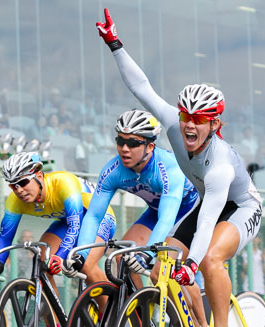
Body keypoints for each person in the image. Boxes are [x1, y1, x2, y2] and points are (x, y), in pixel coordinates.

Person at [97, 9, 263, 327]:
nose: (189, 125)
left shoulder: (219, 166)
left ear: (214, 124)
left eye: (199, 120)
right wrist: (114, 44)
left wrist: (191, 263)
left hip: (241, 208)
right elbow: (140, 86)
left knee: (210, 259)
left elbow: (206, 225)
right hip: (207, 204)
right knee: (160, 267)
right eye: (186, 116)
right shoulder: (173, 122)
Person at [74, 109, 198, 276]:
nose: (125, 149)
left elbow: (167, 218)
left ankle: (195, 303)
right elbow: (94, 216)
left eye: (133, 143)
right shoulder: (113, 170)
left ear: (150, 147)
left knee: (162, 271)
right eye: (120, 141)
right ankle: (137, 302)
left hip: (189, 213)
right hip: (156, 214)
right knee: (124, 258)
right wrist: (80, 255)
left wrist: (147, 254)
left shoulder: (168, 167)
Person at [0, 152, 116, 293]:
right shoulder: (15, 200)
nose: (19, 190)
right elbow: (5, 236)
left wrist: (60, 256)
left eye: (23, 182)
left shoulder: (63, 183)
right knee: (41, 263)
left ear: (39, 176)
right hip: (66, 222)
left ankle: (107, 311)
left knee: (86, 265)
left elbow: (76, 225)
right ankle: (54, 314)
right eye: (13, 186)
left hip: (99, 217)